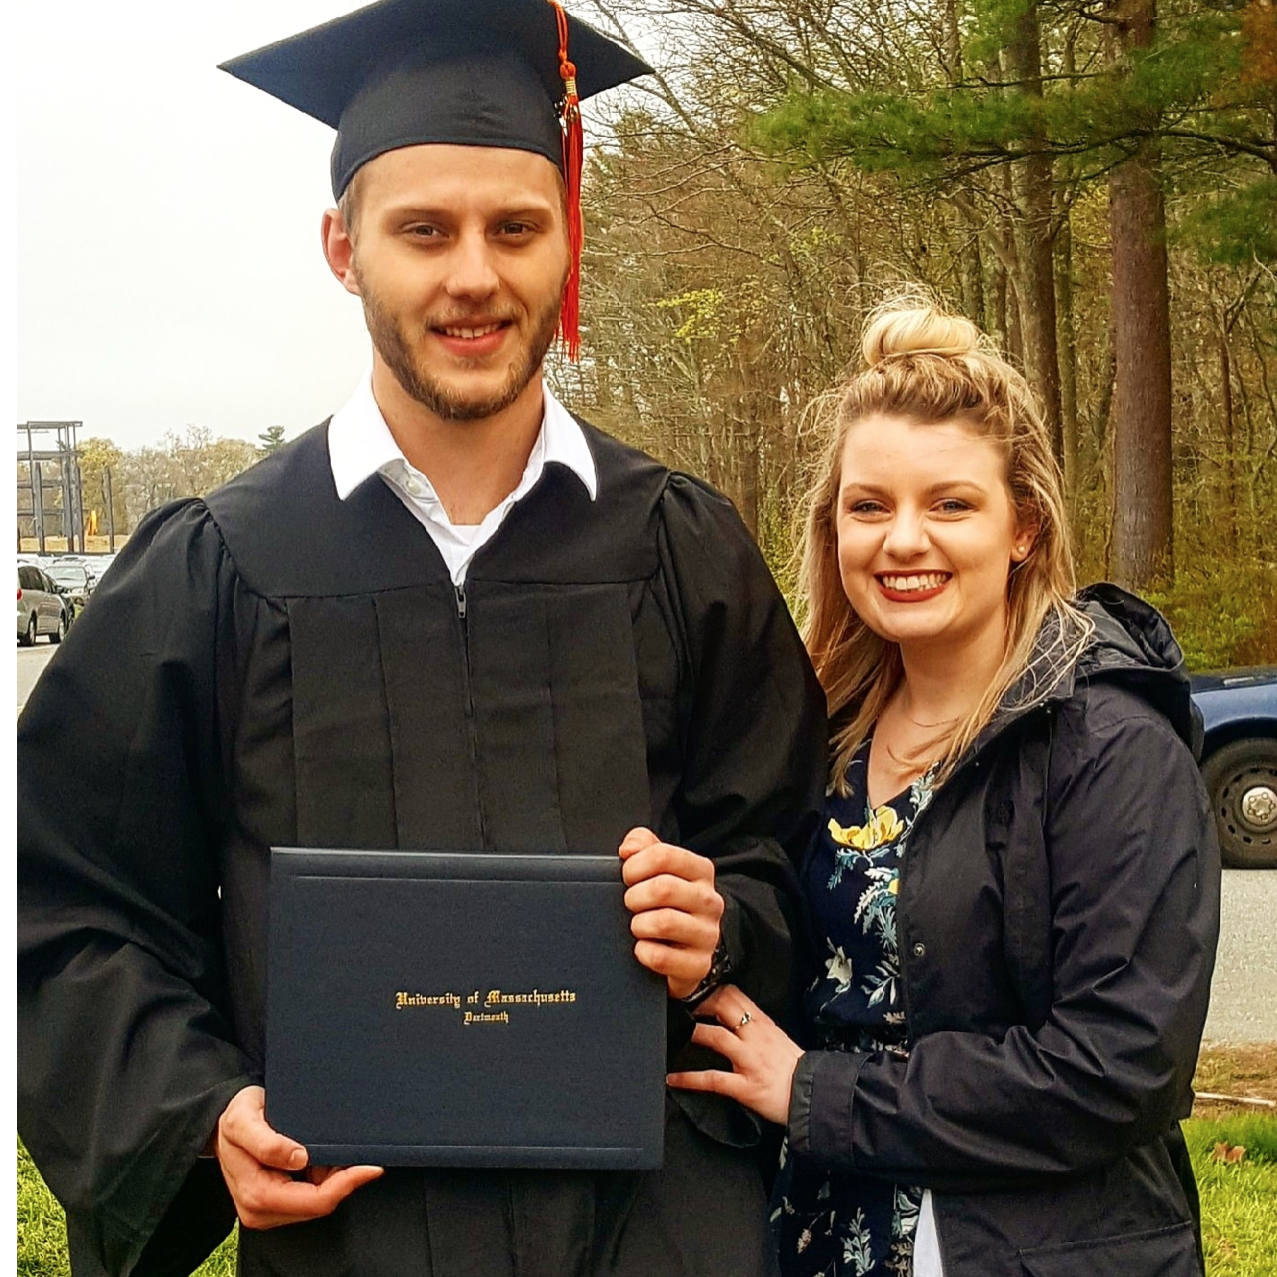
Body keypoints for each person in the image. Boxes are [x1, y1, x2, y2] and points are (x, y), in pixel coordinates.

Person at [16, 3, 827, 1274]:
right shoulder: (218, 568)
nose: (472, 274)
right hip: (350, 1239)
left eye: (515, 227)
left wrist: (718, 919)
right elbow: (80, 912)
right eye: (422, 230)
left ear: (566, 241)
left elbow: (791, 854)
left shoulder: (679, 548)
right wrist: (200, 1114)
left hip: (656, 1231)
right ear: (342, 248)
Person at [669, 299, 1221, 1277]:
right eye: (868, 504)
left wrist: (816, 1091)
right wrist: (711, 943)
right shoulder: (816, 732)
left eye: (950, 504)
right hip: (816, 1229)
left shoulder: (1102, 737)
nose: (901, 539)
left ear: (1023, 527)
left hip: (1031, 1247)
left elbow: (1120, 1066)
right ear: (830, 525)